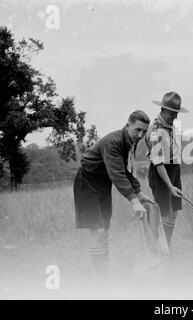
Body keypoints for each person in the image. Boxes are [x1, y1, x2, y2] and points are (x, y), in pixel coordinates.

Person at [73, 110, 155, 277]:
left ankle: (104, 272)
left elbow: (125, 171)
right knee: (98, 229)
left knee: (106, 229)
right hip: (87, 184)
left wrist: (139, 193)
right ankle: (101, 277)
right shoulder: (114, 141)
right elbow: (117, 174)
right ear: (127, 125)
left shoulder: (128, 143)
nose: (140, 135)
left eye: (144, 131)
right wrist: (134, 200)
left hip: (103, 184)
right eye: (137, 129)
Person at [146, 91, 188, 248]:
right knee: (163, 212)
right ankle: (157, 250)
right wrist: (170, 186)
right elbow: (158, 163)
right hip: (161, 173)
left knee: (174, 210)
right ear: (163, 110)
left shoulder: (170, 125)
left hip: (173, 169)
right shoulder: (156, 129)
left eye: (177, 113)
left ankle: (167, 247)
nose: (175, 117)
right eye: (172, 113)